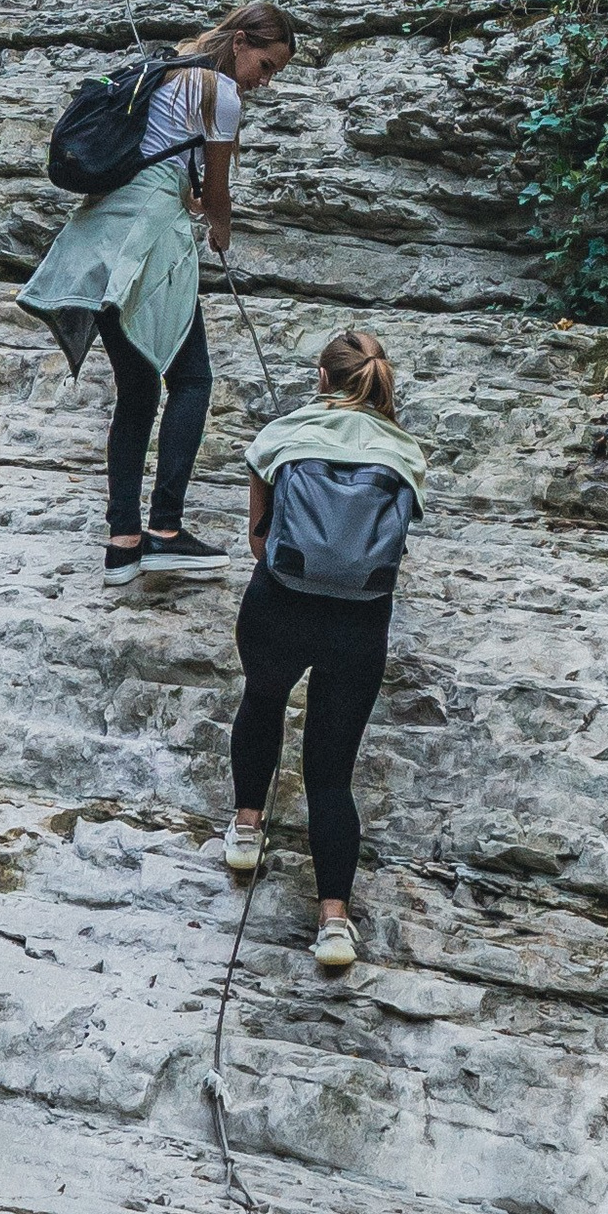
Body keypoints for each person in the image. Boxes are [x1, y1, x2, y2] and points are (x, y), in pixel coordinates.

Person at [17, 0, 297, 583]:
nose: (263, 81)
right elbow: (217, 193)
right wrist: (219, 226)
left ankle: (123, 542)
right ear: (241, 41)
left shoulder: (165, 68)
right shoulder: (219, 91)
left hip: (101, 235)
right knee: (192, 377)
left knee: (138, 388)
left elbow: (156, 158)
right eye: (266, 65)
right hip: (150, 240)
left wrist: (188, 196)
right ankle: (166, 530)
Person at [226, 326, 426, 975]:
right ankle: (334, 921)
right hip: (359, 624)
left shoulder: (281, 435)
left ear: (322, 377)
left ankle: (247, 830)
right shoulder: (404, 453)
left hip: (279, 605)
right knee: (331, 775)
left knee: (262, 701)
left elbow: (260, 541)